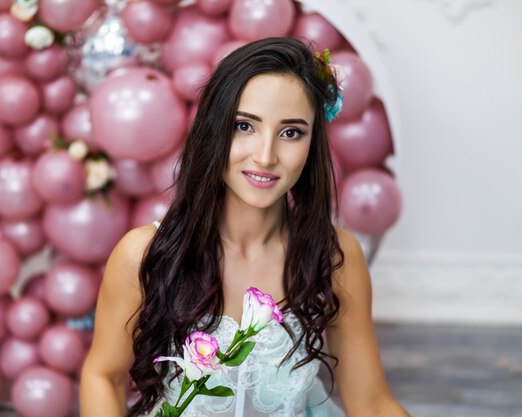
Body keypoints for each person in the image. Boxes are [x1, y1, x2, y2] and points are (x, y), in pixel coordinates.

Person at [80, 37, 409, 417]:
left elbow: (370, 402)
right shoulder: (142, 255)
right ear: (213, 129)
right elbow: (103, 375)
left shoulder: (335, 257)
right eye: (244, 126)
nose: (265, 156)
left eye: (291, 132)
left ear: (312, 142)